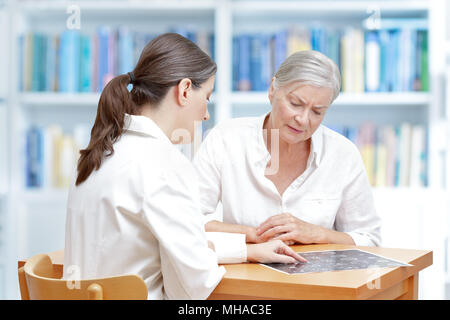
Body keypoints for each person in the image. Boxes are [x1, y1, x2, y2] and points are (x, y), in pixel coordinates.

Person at [63, 33, 305, 300]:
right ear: (185, 89)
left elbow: (166, 248)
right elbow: (192, 288)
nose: (206, 114)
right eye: (208, 98)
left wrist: (246, 251)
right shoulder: (165, 164)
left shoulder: (97, 153)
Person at [193, 50, 382, 247]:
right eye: (295, 104)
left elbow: (369, 239)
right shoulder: (226, 138)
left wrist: (317, 234)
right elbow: (189, 220)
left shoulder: (343, 154)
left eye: (317, 112)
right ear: (273, 90)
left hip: (317, 277)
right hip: (246, 275)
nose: (303, 119)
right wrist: (254, 235)